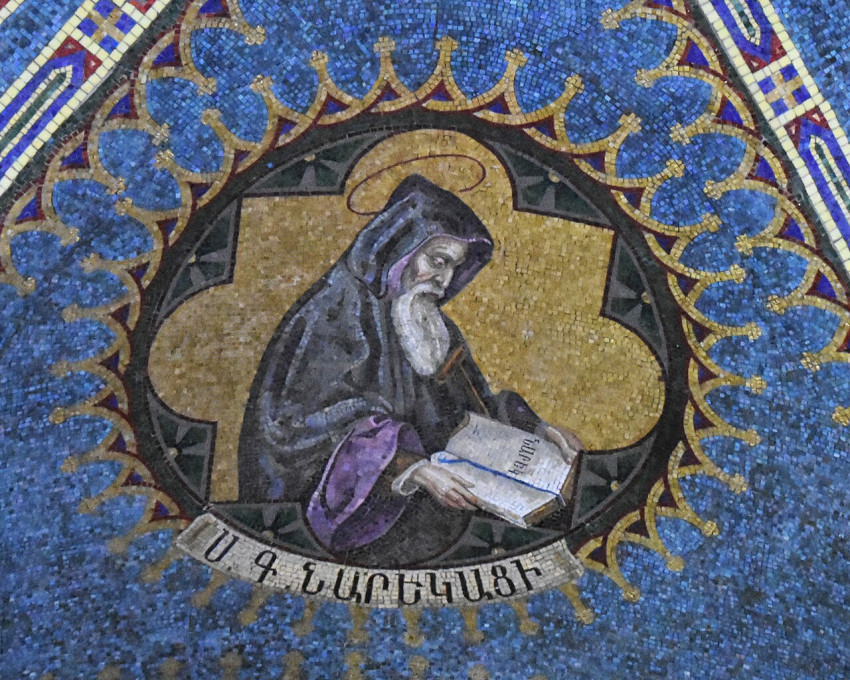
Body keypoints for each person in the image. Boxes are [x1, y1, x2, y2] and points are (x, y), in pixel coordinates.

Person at [238, 175, 582, 566]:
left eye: (454, 267)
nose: (445, 281)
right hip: (350, 514)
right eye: (438, 261)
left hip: (439, 491)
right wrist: (410, 468)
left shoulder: (431, 325)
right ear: (399, 246)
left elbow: (473, 408)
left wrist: (535, 428)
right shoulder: (334, 313)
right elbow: (297, 427)